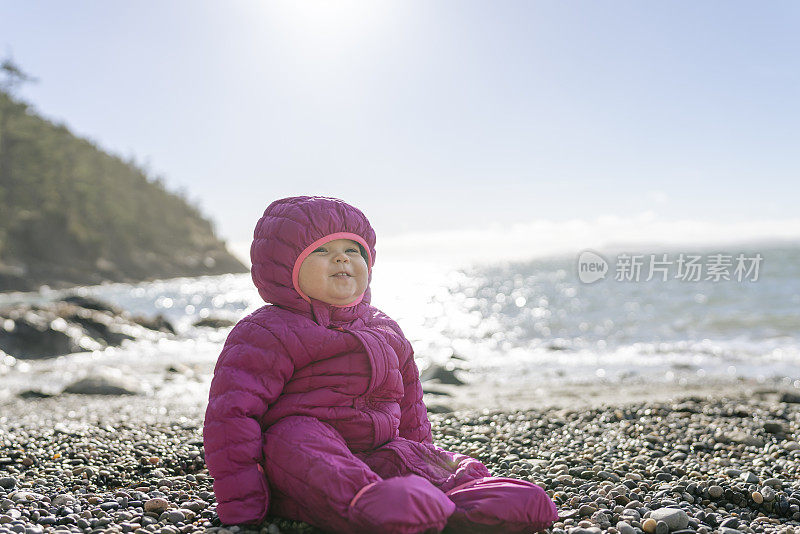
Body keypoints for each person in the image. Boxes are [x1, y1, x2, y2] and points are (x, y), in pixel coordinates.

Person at [203, 196, 558, 533]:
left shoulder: (383, 327)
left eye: (351, 250)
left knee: (406, 454)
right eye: (322, 250)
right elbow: (231, 414)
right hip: (301, 463)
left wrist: (424, 458)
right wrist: (243, 502)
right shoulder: (267, 330)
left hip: (377, 449)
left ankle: (461, 497)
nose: (341, 259)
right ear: (285, 270)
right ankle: (366, 503)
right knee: (297, 435)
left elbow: (410, 406)